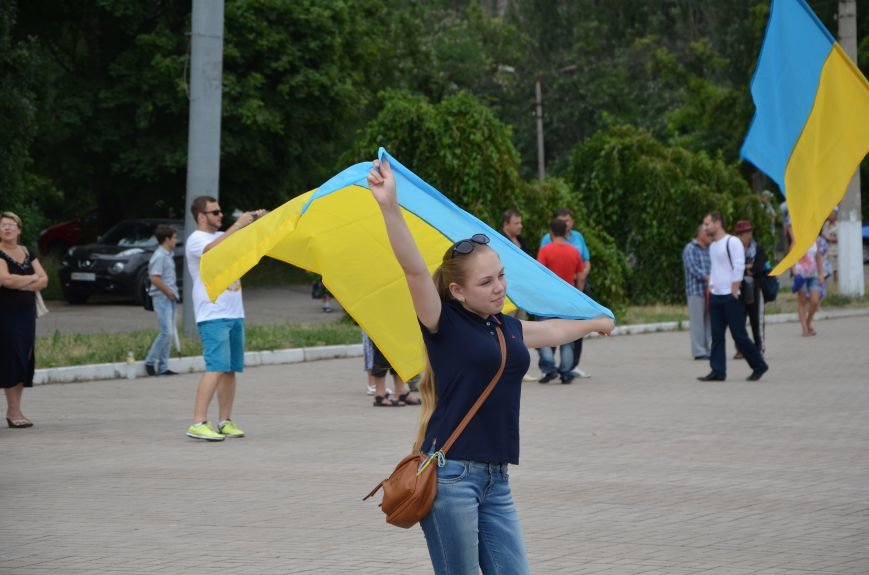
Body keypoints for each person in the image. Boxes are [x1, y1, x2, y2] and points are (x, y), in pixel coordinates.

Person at [367, 158, 613, 574]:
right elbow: (412, 270)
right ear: (458, 291)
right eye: (487, 282)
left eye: (501, 276)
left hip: (497, 481)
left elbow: (551, 332)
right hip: (452, 480)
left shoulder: (506, 328)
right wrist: (389, 205)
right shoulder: (442, 323)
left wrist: (596, 321)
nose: (499, 287)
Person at [184, 196, 265, 441]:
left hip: (234, 312)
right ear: (201, 216)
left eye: (220, 212)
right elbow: (212, 250)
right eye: (215, 212)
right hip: (213, 312)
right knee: (216, 366)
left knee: (230, 370)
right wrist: (238, 224)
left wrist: (258, 223)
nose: (220, 215)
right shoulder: (196, 240)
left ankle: (225, 420)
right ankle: (198, 421)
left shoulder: (224, 236)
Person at [698, 212, 769, 382]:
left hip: (731, 296)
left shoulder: (732, 242)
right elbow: (715, 268)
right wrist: (712, 286)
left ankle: (759, 365)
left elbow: (738, 266)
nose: (705, 227)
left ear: (717, 223)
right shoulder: (713, 246)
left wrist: (734, 290)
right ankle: (718, 371)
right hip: (716, 296)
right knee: (717, 335)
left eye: (707, 224)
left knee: (739, 335)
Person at [0, 211, 49, 428]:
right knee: (10, 356)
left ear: (19, 229)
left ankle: (16, 410)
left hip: (26, 315)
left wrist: (23, 281)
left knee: (23, 357)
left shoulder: (28, 251)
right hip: (5, 314)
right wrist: (30, 278)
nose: (7, 228)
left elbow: (45, 279)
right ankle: (12, 411)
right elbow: (4, 280)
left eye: (11, 225)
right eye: (3, 226)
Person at [539, 208, 592, 377]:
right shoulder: (574, 251)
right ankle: (566, 370)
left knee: (543, 331)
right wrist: (579, 294)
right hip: (569, 296)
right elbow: (581, 274)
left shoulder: (546, 250)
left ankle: (548, 366)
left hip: (550, 297)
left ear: (552, 232)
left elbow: (540, 273)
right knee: (568, 336)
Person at [144, 225, 180, 377]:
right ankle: (150, 362)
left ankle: (164, 366)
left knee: (170, 333)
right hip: (162, 297)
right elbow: (154, 277)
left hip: (170, 297)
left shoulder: (167, 255)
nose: (176, 240)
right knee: (166, 332)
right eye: (174, 238)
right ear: (167, 239)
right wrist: (168, 292)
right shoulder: (159, 256)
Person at [682, 224, 711, 360]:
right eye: (707, 232)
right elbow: (693, 268)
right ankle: (699, 351)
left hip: (710, 290)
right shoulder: (690, 248)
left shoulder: (710, 248)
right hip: (696, 291)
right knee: (697, 322)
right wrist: (709, 277)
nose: (709, 235)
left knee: (708, 322)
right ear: (700, 234)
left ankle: (708, 349)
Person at [793, 237, 825, 337]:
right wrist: (795, 274)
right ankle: (804, 328)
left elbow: (818, 257)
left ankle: (808, 322)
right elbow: (791, 257)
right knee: (802, 301)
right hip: (801, 274)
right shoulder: (796, 239)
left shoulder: (815, 239)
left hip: (813, 274)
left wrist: (821, 273)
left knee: (815, 301)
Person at [821, 208, 838, 284]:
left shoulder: (839, 224)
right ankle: (825, 284)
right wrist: (829, 237)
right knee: (825, 269)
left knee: (835, 269)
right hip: (826, 250)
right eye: (829, 214)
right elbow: (823, 235)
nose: (829, 216)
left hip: (835, 250)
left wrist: (828, 237)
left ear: (835, 215)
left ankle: (835, 284)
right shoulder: (826, 224)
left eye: (831, 214)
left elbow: (838, 238)